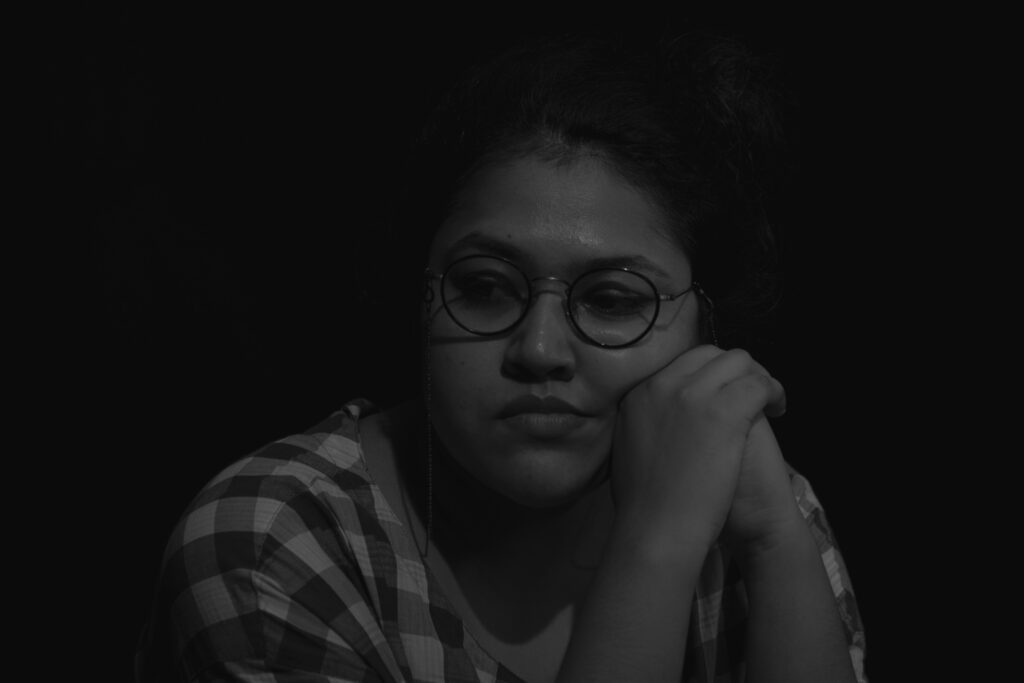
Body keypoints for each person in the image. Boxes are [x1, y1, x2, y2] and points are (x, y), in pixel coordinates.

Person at [136, 30, 867, 682]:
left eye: (613, 299)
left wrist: (776, 542)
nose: (540, 350)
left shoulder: (757, 504)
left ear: (706, 329)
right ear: (418, 298)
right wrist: (657, 543)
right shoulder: (275, 543)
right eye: (485, 288)